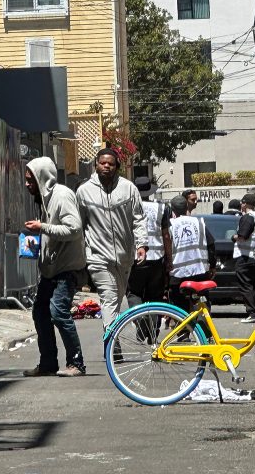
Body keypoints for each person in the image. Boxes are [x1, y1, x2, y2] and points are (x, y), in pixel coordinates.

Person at [22, 157, 87, 377]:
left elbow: (74, 229)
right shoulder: (44, 198)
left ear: (42, 178)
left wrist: (42, 227)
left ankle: (76, 363)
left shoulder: (61, 196)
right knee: (40, 312)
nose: (27, 184)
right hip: (52, 269)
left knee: (58, 312)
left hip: (67, 268)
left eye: (30, 180)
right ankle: (48, 362)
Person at [76, 149, 147, 330]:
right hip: (97, 257)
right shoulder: (84, 192)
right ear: (96, 165)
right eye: (102, 163)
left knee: (116, 299)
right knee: (108, 297)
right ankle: (112, 344)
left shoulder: (128, 188)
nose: (106, 166)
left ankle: (112, 337)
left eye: (111, 164)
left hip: (125, 257)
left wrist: (142, 244)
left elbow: (138, 218)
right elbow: (79, 226)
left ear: (117, 167)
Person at [167, 195, 215, 314]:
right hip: (200, 271)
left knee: (179, 308)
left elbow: (166, 248)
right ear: (186, 207)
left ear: (173, 210)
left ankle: (183, 329)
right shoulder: (199, 222)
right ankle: (203, 328)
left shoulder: (170, 225)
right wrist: (212, 266)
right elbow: (211, 244)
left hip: (178, 274)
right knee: (202, 304)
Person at [127, 177, 169, 313]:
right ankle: (152, 327)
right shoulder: (161, 208)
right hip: (156, 259)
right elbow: (166, 236)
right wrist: (170, 258)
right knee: (155, 296)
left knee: (134, 293)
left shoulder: (128, 207)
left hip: (135, 259)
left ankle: (139, 318)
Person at [231, 194, 255, 324]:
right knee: (254, 284)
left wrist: (234, 237)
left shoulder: (248, 217)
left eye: (242, 203)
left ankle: (253, 312)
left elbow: (243, 236)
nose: (241, 206)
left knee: (245, 285)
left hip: (245, 256)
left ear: (245, 204)